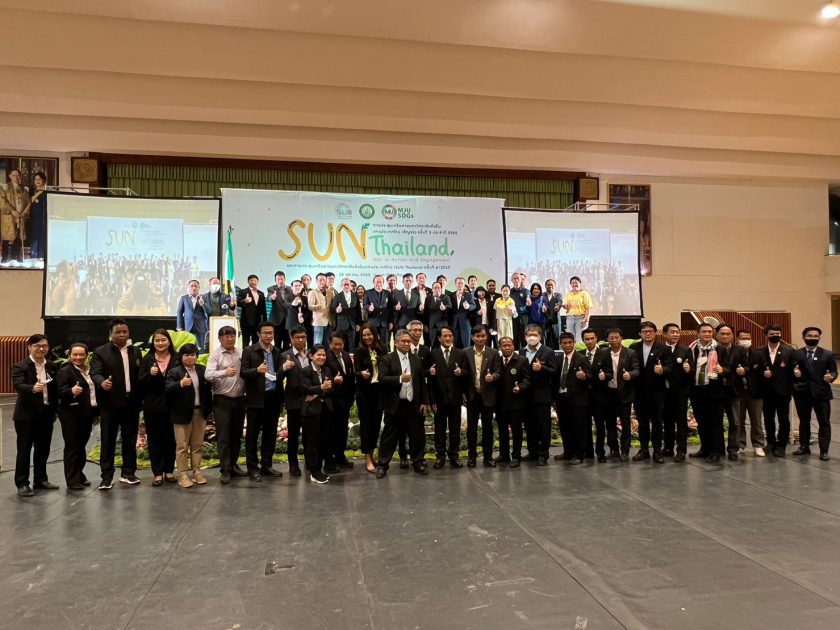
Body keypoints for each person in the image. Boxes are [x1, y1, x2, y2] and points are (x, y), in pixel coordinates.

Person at [91, 319, 143, 490]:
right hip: (110, 404)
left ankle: (128, 473)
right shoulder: (100, 352)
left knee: (130, 440)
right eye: (118, 332)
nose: (122, 335)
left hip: (131, 403)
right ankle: (106, 477)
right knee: (108, 440)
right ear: (110, 334)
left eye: (124, 332)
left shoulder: (135, 351)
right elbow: (95, 373)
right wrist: (102, 382)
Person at [375, 329, 430, 478]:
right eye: (403, 341)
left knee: (417, 435)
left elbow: (421, 382)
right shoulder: (387, 359)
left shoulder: (416, 359)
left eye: (408, 341)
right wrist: (400, 378)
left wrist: (425, 402)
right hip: (395, 404)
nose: (406, 343)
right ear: (396, 342)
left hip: (413, 404)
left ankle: (418, 461)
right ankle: (382, 465)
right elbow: (382, 379)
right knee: (389, 436)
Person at [11, 334, 58, 497]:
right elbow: (18, 385)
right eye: (37, 346)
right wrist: (32, 388)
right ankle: (22, 483)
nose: (41, 349)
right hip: (26, 416)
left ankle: (41, 479)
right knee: (24, 450)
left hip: (46, 414)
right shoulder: (20, 366)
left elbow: (55, 391)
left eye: (44, 346)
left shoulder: (52, 366)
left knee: (43, 449)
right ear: (29, 347)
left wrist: (55, 410)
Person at [241, 321, 285, 481]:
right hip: (256, 398)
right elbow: (243, 372)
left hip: (273, 398)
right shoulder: (249, 351)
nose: (268, 336)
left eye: (271, 333)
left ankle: (267, 465)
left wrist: (284, 369)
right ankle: (252, 468)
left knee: (270, 434)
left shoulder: (277, 351)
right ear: (259, 334)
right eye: (265, 333)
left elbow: (279, 375)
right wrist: (257, 370)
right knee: (252, 435)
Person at [166, 343, 213, 488]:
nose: (189, 357)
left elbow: (208, 391)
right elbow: (167, 389)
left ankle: (197, 471)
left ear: (196, 356)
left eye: (192, 354)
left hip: (199, 412)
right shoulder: (174, 372)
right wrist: (180, 383)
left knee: (197, 445)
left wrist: (208, 410)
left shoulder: (202, 370)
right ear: (181, 356)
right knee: (182, 446)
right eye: (186, 355)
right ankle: (183, 475)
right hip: (181, 414)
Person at [204, 325, 247, 484]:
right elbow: (208, 375)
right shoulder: (215, 355)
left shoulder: (241, 353)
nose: (229, 339)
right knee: (223, 437)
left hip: (240, 399)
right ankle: (225, 469)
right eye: (226, 336)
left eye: (232, 336)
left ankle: (233, 465)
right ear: (220, 339)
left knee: (236, 435)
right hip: (222, 400)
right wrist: (224, 372)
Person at [138, 329, 178, 486]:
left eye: (163, 340)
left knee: (171, 439)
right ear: (153, 343)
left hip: (173, 405)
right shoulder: (147, 359)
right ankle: (157, 473)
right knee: (155, 440)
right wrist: (150, 374)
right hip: (152, 405)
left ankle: (169, 471)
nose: (160, 343)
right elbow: (139, 382)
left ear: (169, 341)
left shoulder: (176, 358)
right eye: (157, 340)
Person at [792, 326, 837, 460]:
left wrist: (831, 377)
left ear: (819, 338)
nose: (813, 338)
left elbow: (834, 371)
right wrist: (795, 373)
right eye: (810, 336)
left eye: (815, 336)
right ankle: (804, 447)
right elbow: (792, 368)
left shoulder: (827, 354)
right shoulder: (796, 354)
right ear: (803, 337)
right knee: (804, 421)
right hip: (802, 392)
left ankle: (824, 450)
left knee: (824, 422)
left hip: (821, 393)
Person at [629, 321, 671, 463]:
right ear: (639, 333)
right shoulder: (633, 348)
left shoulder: (664, 348)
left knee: (657, 422)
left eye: (650, 331)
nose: (647, 334)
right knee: (643, 423)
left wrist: (663, 370)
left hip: (657, 392)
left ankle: (657, 451)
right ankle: (644, 450)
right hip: (639, 392)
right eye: (644, 331)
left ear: (655, 333)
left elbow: (670, 367)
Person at [57, 342, 97, 489]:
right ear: (69, 356)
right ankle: (72, 480)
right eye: (75, 354)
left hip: (87, 414)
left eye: (81, 354)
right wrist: (71, 391)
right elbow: (60, 392)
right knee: (72, 447)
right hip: (71, 415)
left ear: (87, 355)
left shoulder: (90, 370)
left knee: (81, 446)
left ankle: (79, 474)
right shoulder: (65, 371)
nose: (78, 357)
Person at [428, 327, 468, 468]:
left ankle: (454, 456)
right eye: (445, 336)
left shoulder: (460, 353)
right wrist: (432, 400)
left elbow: (466, 373)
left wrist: (461, 372)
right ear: (439, 338)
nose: (448, 338)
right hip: (439, 398)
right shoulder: (432, 354)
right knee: (439, 429)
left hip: (455, 398)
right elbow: (430, 380)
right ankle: (440, 456)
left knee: (455, 429)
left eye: (450, 335)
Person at [463, 324, 501, 467]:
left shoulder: (494, 353)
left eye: (483, 336)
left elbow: (499, 372)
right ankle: (472, 457)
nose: (480, 338)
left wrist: (494, 377)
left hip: (488, 396)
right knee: (471, 429)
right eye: (477, 336)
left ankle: (488, 457)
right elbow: (463, 375)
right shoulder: (465, 352)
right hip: (472, 396)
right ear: (473, 337)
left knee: (488, 429)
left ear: (487, 337)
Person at [689, 323, 726, 463]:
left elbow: (729, 367)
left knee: (715, 423)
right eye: (704, 331)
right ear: (698, 333)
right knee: (702, 422)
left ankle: (716, 451)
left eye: (710, 332)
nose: (707, 334)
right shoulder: (691, 349)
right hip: (697, 390)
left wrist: (722, 370)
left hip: (714, 391)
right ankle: (705, 448)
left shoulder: (720, 349)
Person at [520, 324, 556, 465]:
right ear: (525, 336)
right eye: (529, 335)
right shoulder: (521, 351)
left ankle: (543, 454)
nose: (532, 337)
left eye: (535, 335)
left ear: (540, 336)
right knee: (529, 426)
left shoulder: (548, 351)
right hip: (525, 396)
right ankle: (532, 451)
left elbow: (554, 372)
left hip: (542, 395)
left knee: (543, 426)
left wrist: (542, 368)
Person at [554, 332, 592, 464]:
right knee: (565, 427)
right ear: (561, 344)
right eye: (565, 343)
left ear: (574, 343)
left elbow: (591, 376)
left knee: (579, 429)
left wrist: (584, 376)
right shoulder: (558, 358)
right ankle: (568, 452)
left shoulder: (582, 358)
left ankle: (579, 454)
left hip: (578, 399)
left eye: (570, 342)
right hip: (561, 398)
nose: (568, 345)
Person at [603, 328, 640, 461]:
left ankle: (625, 451)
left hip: (625, 393)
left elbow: (636, 369)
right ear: (607, 340)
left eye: (617, 337)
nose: (614, 340)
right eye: (611, 338)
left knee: (625, 424)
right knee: (610, 424)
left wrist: (630, 375)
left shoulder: (630, 353)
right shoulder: (604, 353)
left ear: (621, 338)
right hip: (609, 393)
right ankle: (613, 449)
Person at [759, 323, 795, 457]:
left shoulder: (789, 351)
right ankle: (770, 443)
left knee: (783, 419)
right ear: (766, 335)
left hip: (783, 392)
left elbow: (793, 369)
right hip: (766, 391)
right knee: (768, 418)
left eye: (777, 334)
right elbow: (755, 370)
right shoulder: (759, 351)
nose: (775, 336)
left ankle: (781, 445)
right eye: (772, 334)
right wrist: (763, 374)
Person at [300, 344, 334, 484]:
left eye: (323, 355)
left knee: (323, 441)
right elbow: (305, 389)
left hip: (326, 409)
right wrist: (321, 388)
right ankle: (314, 471)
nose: (321, 357)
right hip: (311, 412)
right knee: (312, 443)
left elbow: (330, 389)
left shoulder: (327, 370)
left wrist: (317, 393)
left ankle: (319, 469)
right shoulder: (305, 371)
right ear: (311, 356)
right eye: (318, 355)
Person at [354, 324, 386, 473]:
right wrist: (361, 374)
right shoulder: (359, 351)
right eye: (364, 335)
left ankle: (372, 454)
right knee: (366, 425)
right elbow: (355, 371)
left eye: (369, 334)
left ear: (375, 334)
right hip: (364, 393)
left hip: (378, 392)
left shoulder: (382, 348)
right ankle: (367, 457)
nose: (367, 337)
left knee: (376, 425)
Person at [580, 328, 614, 463]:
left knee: (600, 426)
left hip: (600, 396)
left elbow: (610, 373)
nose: (589, 341)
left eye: (592, 338)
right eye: (586, 339)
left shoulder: (605, 354)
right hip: (583, 396)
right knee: (585, 425)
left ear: (596, 338)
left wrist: (605, 376)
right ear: (583, 341)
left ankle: (600, 452)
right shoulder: (579, 354)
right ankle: (588, 451)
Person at [495, 336, 530, 467]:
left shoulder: (521, 360)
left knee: (516, 431)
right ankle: (504, 454)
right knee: (502, 431)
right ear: (499, 347)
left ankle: (516, 456)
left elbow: (527, 380)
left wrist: (520, 387)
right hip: (500, 403)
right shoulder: (497, 360)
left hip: (516, 402)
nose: (507, 347)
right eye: (504, 346)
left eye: (509, 345)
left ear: (513, 346)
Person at [662, 323, 694, 461]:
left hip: (680, 391)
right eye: (672, 332)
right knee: (667, 420)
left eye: (677, 332)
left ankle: (681, 450)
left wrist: (689, 370)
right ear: (665, 334)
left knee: (681, 421)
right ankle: (668, 448)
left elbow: (692, 370)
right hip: (664, 391)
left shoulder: (685, 350)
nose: (675, 334)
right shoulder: (660, 349)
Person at [280, 327, 310, 476]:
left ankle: (310, 462)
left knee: (309, 435)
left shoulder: (311, 354)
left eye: (303, 337)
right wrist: (284, 368)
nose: (301, 340)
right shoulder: (285, 356)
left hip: (311, 401)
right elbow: (277, 377)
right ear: (291, 339)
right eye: (297, 337)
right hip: (293, 401)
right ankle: (293, 465)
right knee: (293, 436)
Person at [732, 329, 766, 457]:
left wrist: (747, 371)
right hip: (738, 392)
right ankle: (740, 445)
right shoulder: (733, 353)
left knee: (756, 420)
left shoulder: (758, 354)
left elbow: (762, 371)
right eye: (743, 338)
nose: (745, 340)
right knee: (738, 421)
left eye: (748, 338)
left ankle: (758, 445)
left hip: (755, 392)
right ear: (737, 340)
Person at [325, 332, 356, 471]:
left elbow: (350, 376)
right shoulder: (325, 357)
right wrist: (333, 381)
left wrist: (352, 396)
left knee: (342, 430)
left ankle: (340, 456)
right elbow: (323, 378)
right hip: (332, 401)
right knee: (331, 431)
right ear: (330, 344)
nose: (338, 347)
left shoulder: (346, 355)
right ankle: (329, 460)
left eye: (340, 344)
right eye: (335, 344)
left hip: (345, 401)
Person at [715, 324, 744, 461]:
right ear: (717, 335)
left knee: (735, 422)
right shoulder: (712, 349)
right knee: (716, 422)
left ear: (732, 336)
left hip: (734, 390)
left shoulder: (740, 350)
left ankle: (733, 449)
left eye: (728, 333)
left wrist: (743, 370)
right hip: (716, 390)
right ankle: (718, 449)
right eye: (722, 333)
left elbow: (746, 367)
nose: (725, 336)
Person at [1, 168, 30, 263]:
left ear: (20, 176)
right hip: (9, 216)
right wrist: (12, 211)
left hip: (20, 215)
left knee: (18, 236)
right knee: (7, 236)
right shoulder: (4, 187)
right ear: (10, 176)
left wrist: (24, 213)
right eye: (14, 175)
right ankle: (5, 256)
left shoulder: (24, 189)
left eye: (18, 175)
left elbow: (28, 203)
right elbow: (2, 201)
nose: (16, 177)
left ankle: (16, 255)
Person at [176, 280, 209, 352]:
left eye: (196, 286)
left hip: (200, 326)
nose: (194, 288)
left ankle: (201, 358)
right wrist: (179, 327)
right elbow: (179, 312)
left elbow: (208, 311)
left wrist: (203, 304)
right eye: (192, 286)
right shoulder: (184, 298)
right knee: (188, 347)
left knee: (201, 347)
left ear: (199, 288)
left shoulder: (203, 297)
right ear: (188, 287)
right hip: (188, 326)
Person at [267, 271, 293, 351]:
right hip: (276, 319)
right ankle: (277, 357)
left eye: (282, 279)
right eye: (278, 279)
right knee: (277, 341)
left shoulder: (290, 289)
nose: (280, 281)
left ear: (285, 279)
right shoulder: (271, 289)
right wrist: (272, 297)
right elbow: (269, 297)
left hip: (288, 319)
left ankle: (286, 356)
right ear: (275, 280)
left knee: (287, 341)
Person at [364, 275, 391, 350]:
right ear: (373, 282)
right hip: (373, 321)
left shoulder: (387, 293)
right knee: (372, 341)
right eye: (377, 282)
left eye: (380, 282)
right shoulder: (368, 292)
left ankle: (384, 356)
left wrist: (390, 321)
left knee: (384, 343)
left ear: (383, 283)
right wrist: (369, 308)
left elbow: (390, 308)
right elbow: (365, 305)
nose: (378, 283)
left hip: (384, 322)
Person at [238, 274, 267, 346]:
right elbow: (238, 303)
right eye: (251, 280)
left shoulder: (261, 293)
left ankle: (255, 354)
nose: (253, 282)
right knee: (245, 342)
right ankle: (245, 354)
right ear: (248, 282)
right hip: (246, 322)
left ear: (257, 282)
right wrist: (245, 301)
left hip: (257, 322)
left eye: (255, 281)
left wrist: (265, 322)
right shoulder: (243, 291)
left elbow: (263, 309)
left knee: (256, 342)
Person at [332, 277, 360, 350]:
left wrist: (358, 324)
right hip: (341, 325)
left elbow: (358, 311)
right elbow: (332, 309)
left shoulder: (355, 296)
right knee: (341, 345)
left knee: (352, 346)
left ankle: (351, 357)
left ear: (350, 285)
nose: (346, 286)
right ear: (341, 286)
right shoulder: (337, 296)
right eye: (344, 285)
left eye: (348, 284)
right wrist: (336, 310)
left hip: (352, 324)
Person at [562, 276, 592, 343]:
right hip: (570, 318)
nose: (574, 284)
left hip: (581, 318)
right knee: (570, 337)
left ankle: (579, 350)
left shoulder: (584, 294)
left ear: (580, 283)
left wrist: (586, 319)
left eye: (576, 282)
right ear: (570, 284)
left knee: (579, 338)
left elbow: (588, 307)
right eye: (572, 283)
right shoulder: (568, 294)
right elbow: (565, 306)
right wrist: (565, 306)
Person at [450, 277, 475, 349]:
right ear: (455, 284)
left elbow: (474, 305)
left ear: (464, 284)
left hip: (465, 323)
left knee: (466, 346)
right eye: (459, 283)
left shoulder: (468, 295)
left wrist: (468, 306)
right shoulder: (451, 295)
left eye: (462, 283)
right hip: (454, 324)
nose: (460, 285)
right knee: (456, 346)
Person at [29, 171, 47, 262]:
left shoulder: (45, 193)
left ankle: (41, 255)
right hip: (33, 219)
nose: (38, 181)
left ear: (44, 181)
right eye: (36, 179)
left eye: (40, 179)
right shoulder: (31, 192)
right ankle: (34, 254)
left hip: (42, 218)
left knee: (41, 236)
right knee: (34, 236)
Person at [307, 273, 330, 346]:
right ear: (316, 281)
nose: (322, 282)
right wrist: (318, 306)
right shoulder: (312, 292)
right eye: (320, 280)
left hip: (329, 322)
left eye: (324, 280)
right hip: (318, 321)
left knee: (328, 345)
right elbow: (310, 306)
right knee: (317, 344)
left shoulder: (330, 292)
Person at [428, 281, 452, 346]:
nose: (437, 289)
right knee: (433, 344)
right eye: (435, 288)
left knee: (444, 344)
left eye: (438, 288)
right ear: (432, 289)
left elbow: (450, 307)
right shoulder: (429, 298)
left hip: (442, 324)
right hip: (432, 325)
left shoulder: (446, 297)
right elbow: (426, 312)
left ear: (441, 289)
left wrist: (444, 308)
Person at [510, 273, 530, 349]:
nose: (516, 280)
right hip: (513, 316)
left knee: (524, 336)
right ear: (512, 280)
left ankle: (524, 354)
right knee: (515, 336)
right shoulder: (510, 291)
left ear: (521, 279)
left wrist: (528, 301)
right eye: (514, 278)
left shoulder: (526, 291)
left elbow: (528, 299)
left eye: (518, 278)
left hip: (523, 316)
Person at [412, 273, 432, 345]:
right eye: (419, 278)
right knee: (415, 337)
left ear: (425, 279)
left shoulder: (431, 290)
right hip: (416, 316)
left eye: (423, 278)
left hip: (427, 316)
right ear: (416, 280)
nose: (421, 279)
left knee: (427, 338)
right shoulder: (412, 291)